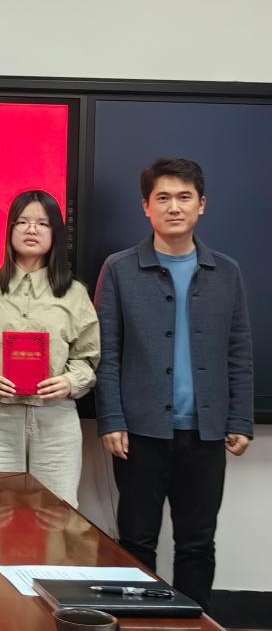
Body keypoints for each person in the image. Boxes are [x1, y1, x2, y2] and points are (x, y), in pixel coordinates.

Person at [94, 157, 253, 610]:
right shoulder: (120, 268)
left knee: (197, 542)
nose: (174, 207)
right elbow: (106, 351)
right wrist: (111, 419)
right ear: (146, 207)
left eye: (184, 197)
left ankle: (191, 621)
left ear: (202, 204)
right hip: (140, 431)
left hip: (205, 433)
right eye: (162, 198)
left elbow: (239, 350)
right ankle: (136, 621)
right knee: (136, 540)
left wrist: (240, 418)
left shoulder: (226, 272)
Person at [0, 190, 99, 507]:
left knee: (57, 514)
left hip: (56, 419)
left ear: (55, 233)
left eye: (42, 223)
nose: (31, 229)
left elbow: (87, 358)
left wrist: (69, 381)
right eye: (22, 222)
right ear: (10, 230)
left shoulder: (74, 293)